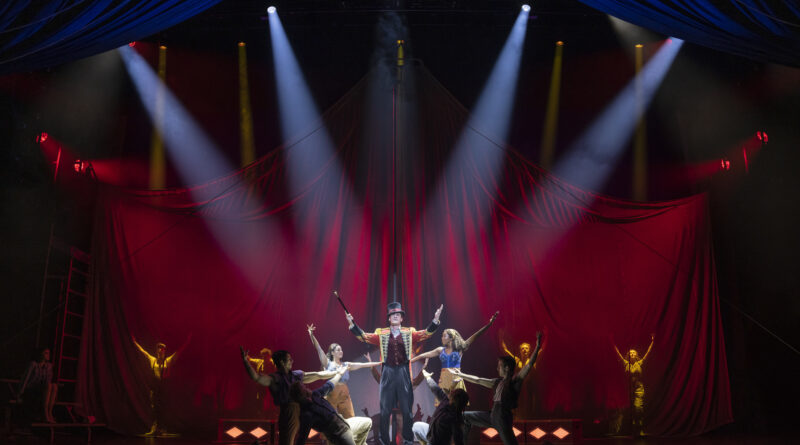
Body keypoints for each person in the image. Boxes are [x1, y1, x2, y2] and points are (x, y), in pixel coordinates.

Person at [346, 302, 443, 445]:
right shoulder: (381, 333)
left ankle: (408, 440)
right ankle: (384, 441)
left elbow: (426, 334)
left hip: (404, 371)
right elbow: (364, 337)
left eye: (398, 314)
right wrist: (352, 324)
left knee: (406, 410)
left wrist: (435, 320)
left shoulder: (409, 332)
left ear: (402, 318)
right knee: (385, 410)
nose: (396, 316)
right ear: (389, 319)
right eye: (393, 315)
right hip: (387, 372)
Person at [454, 331, 542, 445]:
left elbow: (529, 365)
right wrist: (460, 374)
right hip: (492, 415)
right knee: (464, 416)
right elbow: (478, 380)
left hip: (502, 418)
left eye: (499, 366)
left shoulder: (515, 380)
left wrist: (538, 346)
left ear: (507, 368)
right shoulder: (497, 382)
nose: (497, 368)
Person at [240, 347, 337, 445]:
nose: (292, 361)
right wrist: (245, 361)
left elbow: (318, 375)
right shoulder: (276, 379)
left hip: (304, 409)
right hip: (289, 412)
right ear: (282, 362)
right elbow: (257, 377)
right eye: (289, 359)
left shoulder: (295, 375)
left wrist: (338, 373)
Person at [307, 324, 382, 445]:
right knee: (330, 421)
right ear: (332, 352)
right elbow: (319, 349)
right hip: (331, 393)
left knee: (350, 419)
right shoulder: (328, 363)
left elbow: (362, 365)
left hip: (345, 394)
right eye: (338, 350)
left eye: (341, 349)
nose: (341, 351)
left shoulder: (346, 364)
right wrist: (311, 334)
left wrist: (377, 362)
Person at [411, 312, 498, 396]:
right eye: (442, 336)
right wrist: (410, 361)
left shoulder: (460, 348)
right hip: (444, 379)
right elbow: (422, 355)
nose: (442, 338)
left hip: (456, 377)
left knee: (456, 403)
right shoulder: (440, 350)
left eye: (444, 336)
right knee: (444, 404)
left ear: (451, 338)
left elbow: (476, 335)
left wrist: (489, 325)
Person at [289, 365, 372, 445]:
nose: (306, 387)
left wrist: (339, 374)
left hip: (345, 424)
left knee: (368, 422)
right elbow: (302, 438)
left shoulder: (315, 395)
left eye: (304, 386)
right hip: (340, 435)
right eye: (303, 387)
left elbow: (329, 385)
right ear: (300, 394)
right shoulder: (306, 415)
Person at [132, 334, 191, 436]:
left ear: (164, 351)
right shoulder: (152, 360)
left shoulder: (167, 361)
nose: (160, 352)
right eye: (159, 350)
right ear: (157, 352)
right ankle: (155, 428)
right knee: (154, 408)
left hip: (164, 387)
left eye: (162, 350)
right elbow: (143, 352)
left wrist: (187, 342)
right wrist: (135, 342)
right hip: (155, 387)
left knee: (163, 408)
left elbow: (179, 352)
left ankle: (162, 428)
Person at [411, 368, 469, 445]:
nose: (450, 393)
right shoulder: (446, 402)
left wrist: (428, 378)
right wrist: (428, 378)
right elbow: (436, 389)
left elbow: (458, 438)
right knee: (416, 426)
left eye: (452, 394)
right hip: (430, 434)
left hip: (436, 442)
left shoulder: (455, 417)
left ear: (454, 399)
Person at [612, 334, 654, 436]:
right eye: (630, 353)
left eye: (634, 353)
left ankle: (639, 430)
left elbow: (649, 353)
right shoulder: (625, 364)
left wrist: (653, 341)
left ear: (636, 355)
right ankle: (620, 430)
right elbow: (616, 353)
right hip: (627, 391)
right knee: (623, 411)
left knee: (638, 409)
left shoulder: (640, 363)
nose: (632, 354)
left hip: (638, 390)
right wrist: (611, 342)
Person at [17, 348, 57, 423]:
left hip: (41, 389)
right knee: (49, 386)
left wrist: (48, 370)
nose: (48, 355)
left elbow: (48, 381)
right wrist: (20, 394)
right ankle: (44, 413)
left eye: (49, 353)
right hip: (31, 389)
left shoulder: (48, 366)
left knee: (54, 386)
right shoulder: (33, 365)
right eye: (46, 353)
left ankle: (49, 412)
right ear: (40, 354)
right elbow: (25, 379)